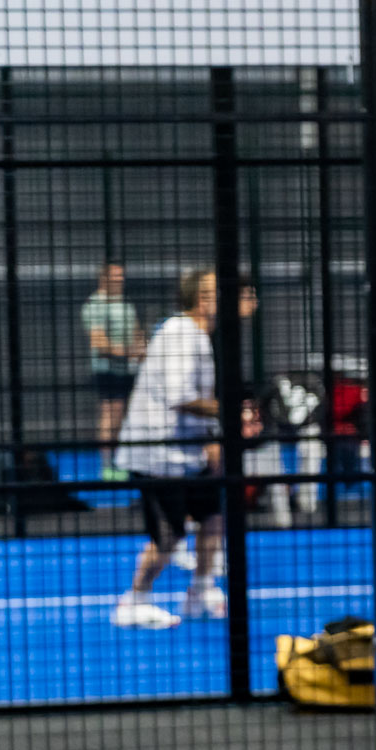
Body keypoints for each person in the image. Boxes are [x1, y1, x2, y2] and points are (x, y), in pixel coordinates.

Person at [112, 267, 256, 629]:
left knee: (212, 516)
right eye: (218, 292)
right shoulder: (181, 334)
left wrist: (212, 438)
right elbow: (181, 397)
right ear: (202, 300)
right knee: (168, 536)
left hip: (185, 451)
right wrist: (232, 412)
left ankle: (201, 591)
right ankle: (134, 601)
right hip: (157, 454)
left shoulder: (198, 336)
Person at [80, 262, 147, 481]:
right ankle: (108, 464)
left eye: (121, 276)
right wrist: (127, 352)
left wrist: (141, 348)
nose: (120, 280)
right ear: (104, 278)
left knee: (125, 416)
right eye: (115, 276)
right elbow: (99, 342)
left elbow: (136, 332)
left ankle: (125, 461)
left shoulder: (125, 303)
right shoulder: (95, 305)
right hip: (107, 369)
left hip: (129, 369)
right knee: (111, 414)